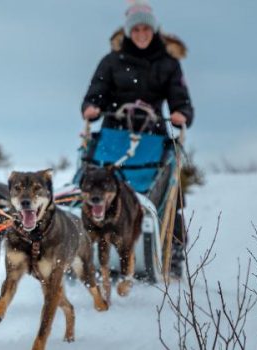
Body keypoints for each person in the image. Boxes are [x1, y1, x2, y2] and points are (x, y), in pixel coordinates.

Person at [80, 0, 193, 278]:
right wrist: (91, 108)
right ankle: (84, 252)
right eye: (137, 29)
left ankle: (172, 256)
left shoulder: (168, 63)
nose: (142, 33)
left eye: (146, 28)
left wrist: (181, 114)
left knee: (169, 198)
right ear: (129, 31)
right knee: (90, 188)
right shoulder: (112, 61)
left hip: (153, 139)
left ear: (153, 30)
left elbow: (181, 99)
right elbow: (96, 92)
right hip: (113, 138)